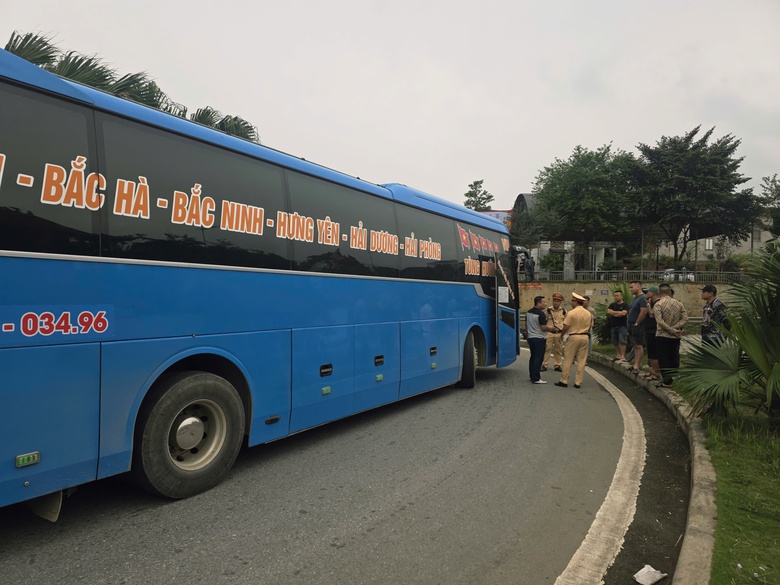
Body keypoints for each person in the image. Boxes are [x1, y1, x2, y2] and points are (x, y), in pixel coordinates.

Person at [654, 283, 688, 388]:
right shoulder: (679, 304)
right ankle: (674, 377)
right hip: (675, 335)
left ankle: (667, 381)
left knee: (663, 358)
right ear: (669, 292)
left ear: (659, 293)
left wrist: (670, 329)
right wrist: (675, 328)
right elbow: (685, 318)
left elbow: (659, 321)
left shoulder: (658, 304)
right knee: (674, 356)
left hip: (662, 335)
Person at [555, 293, 591, 389]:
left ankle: (564, 380)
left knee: (568, 359)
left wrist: (562, 335)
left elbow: (566, 326)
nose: (571, 303)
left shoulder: (571, 313)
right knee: (582, 360)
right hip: (585, 337)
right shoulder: (588, 313)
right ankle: (578, 382)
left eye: (572, 301)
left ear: (575, 302)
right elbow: (591, 325)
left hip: (574, 337)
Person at [526, 296, 553, 384]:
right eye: (544, 302)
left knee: (533, 357)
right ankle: (536, 378)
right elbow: (543, 327)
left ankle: (532, 375)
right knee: (538, 358)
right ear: (538, 303)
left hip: (531, 337)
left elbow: (526, 325)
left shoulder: (528, 312)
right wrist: (551, 328)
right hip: (539, 338)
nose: (545, 304)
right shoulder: (541, 314)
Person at [626, 281, 648, 375]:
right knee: (635, 345)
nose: (630, 289)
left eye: (632, 287)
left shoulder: (643, 298)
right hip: (630, 324)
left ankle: (636, 365)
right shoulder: (635, 298)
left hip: (638, 325)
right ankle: (638, 364)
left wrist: (637, 323)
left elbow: (643, 312)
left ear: (638, 287)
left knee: (638, 345)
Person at [641, 285, 662, 381]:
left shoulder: (657, 303)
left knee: (654, 352)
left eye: (648, 292)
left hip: (654, 330)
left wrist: (648, 305)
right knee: (651, 352)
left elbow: (652, 314)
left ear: (652, 293)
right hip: (649, 329)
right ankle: (653, 371)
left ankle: (656, 373)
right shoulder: (652, 302)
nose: (646, 294)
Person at [543, 292, 566, 372]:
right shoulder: (548, 310)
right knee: (547, 349)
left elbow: (566, 322)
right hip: (549, 333)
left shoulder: (564, 311)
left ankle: (557, 365)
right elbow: (544, 321)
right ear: (552, 301)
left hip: (559, 333)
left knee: (558, 350)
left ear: (560, 302)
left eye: (558, 301)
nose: (556, 302)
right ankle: (544, 364)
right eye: (555, 300)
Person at [607, 290, 629, 363]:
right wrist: (618, 313)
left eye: (617, 295)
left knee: (622, 341)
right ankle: (618, 355)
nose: (616, 297)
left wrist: (614, 313)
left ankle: (623, 356)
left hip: (622, 325)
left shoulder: (625, 305)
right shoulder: (612, 305)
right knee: (615, 341)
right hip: (613, 325)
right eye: (615, 296)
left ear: (621, 296)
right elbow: (609, 312)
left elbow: (624, 314)